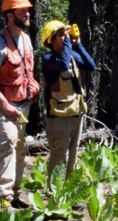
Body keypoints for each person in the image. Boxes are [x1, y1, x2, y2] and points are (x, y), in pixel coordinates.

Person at [0, 0, 40, 207]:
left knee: (20, 148)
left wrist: (31, 96)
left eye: (27, 10)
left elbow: (28, 72)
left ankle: (15, 196)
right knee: (9, 142)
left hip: (23, 104)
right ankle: (1, 197)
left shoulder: (26, 39)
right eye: (22, 10)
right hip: (4, 103)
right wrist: (5, 105)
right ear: (10, 15)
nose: (27, 14)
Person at [39, 19, 96, 186]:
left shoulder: (70, 53)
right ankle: (54, 194)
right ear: (51, 40)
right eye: (61, 35)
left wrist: (78, 45)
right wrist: (68, 45)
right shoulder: (48, 59)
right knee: (59, 155)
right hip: (58, 116)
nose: (65, 37)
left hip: (76, 111)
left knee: (72, 154)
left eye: (65, 34)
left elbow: (90, 65)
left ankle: (68, 195)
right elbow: (63, 66)